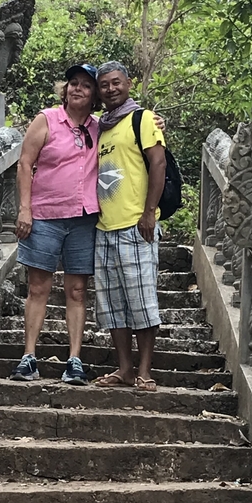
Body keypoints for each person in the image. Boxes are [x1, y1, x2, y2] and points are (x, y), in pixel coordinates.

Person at [10, 63, 100, 385]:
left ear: (94, 95)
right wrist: (24, 209)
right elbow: (24, 163)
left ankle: (74, 360)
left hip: (83, 220)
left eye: (86, 85)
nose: (77, 89)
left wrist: (154, 122)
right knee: (38, 287)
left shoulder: (99, 127)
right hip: (45, 216)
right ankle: (28, 357)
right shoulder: (46, 120)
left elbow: (134, 131)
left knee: (77, 290)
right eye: (73, 83)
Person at [93, 61, 166, 392]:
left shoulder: (143, 119)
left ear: (128, 83)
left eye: (116, 82)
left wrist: (149, 212)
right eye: (104, 84)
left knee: (141, 300)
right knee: (113, 304)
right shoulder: (98, 127)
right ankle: (123, 368)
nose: (110, 89)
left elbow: (158, 163)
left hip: (137, 225)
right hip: (103, 227)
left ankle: (145, 371)